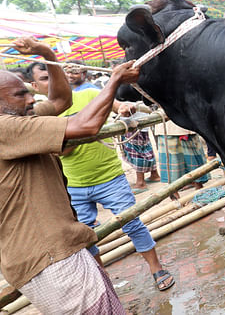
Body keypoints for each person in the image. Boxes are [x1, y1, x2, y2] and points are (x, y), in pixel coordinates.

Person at [0, 37, 137, 315]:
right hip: (50, 258)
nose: (31, 98)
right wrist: (113, 82)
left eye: (29, 91)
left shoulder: (20, 118)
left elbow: (61, 100)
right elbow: (85, 125)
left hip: (55, 251)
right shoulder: (6, 127)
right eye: (19, 95)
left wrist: (46, 53)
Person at [34, 66, 176, 292]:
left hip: (110, 177)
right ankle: (104, 282)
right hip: (74, 184)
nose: (53, 81)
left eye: (56, 75)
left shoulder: (90, 94)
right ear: (35, 87)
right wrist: (77, 133)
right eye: (45, 78)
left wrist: (126, 107)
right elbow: (58, 152)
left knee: (132, 222)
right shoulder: (39, 115)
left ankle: (156, 267)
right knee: (86, 237)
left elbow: (119, 107)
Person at [155, 120, 210, 190]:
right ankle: (174, 192)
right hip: (168, 126)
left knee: (191, 158)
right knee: (173, 162)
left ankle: (197, 186)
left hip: (185, 125)